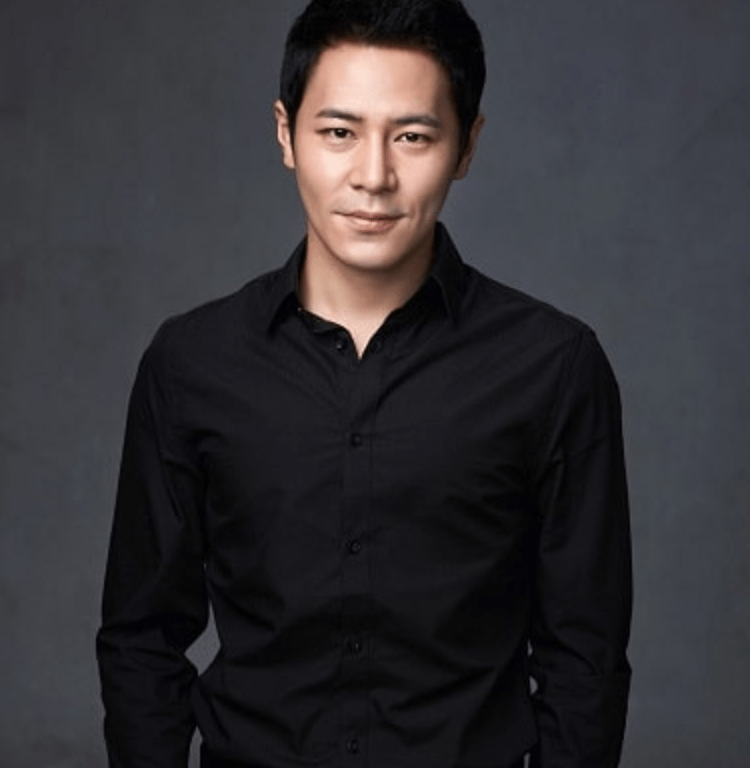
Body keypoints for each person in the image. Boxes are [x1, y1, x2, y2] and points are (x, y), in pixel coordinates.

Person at [96, 1, 633, 767]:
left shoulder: (553, 368)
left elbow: (586, 660)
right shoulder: (191, 363)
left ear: (467, 145)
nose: (373, 177)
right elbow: (141, 638)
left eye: (412, 136)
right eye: (339, 132)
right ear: (286, 134)